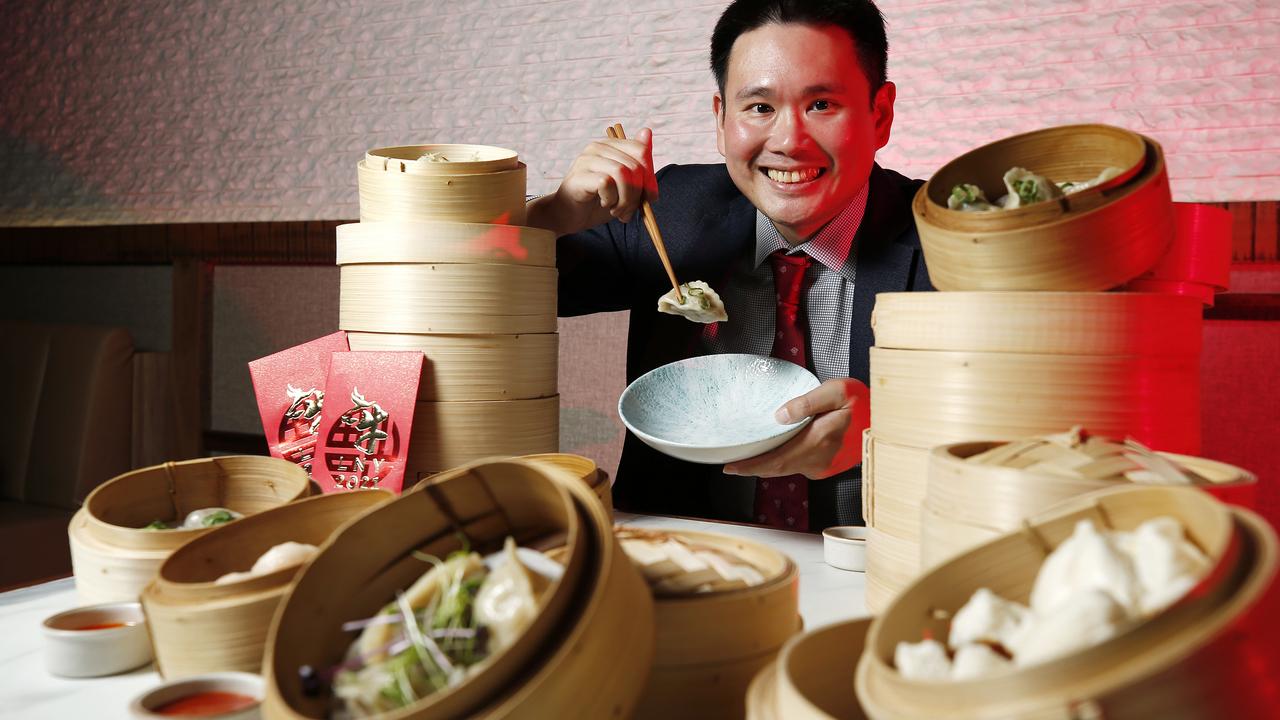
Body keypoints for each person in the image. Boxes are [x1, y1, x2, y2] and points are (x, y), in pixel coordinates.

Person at [526, 0, 932, 531]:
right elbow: (472, 295)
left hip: (887, 570)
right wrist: (552, 215)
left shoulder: (952, 239)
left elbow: (1036, 421)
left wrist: (891, 429)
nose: (788, 142)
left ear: (880, 115)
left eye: (823, 104)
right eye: (759, 108)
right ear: (720, 119)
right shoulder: (670, 211)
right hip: (685, 558)